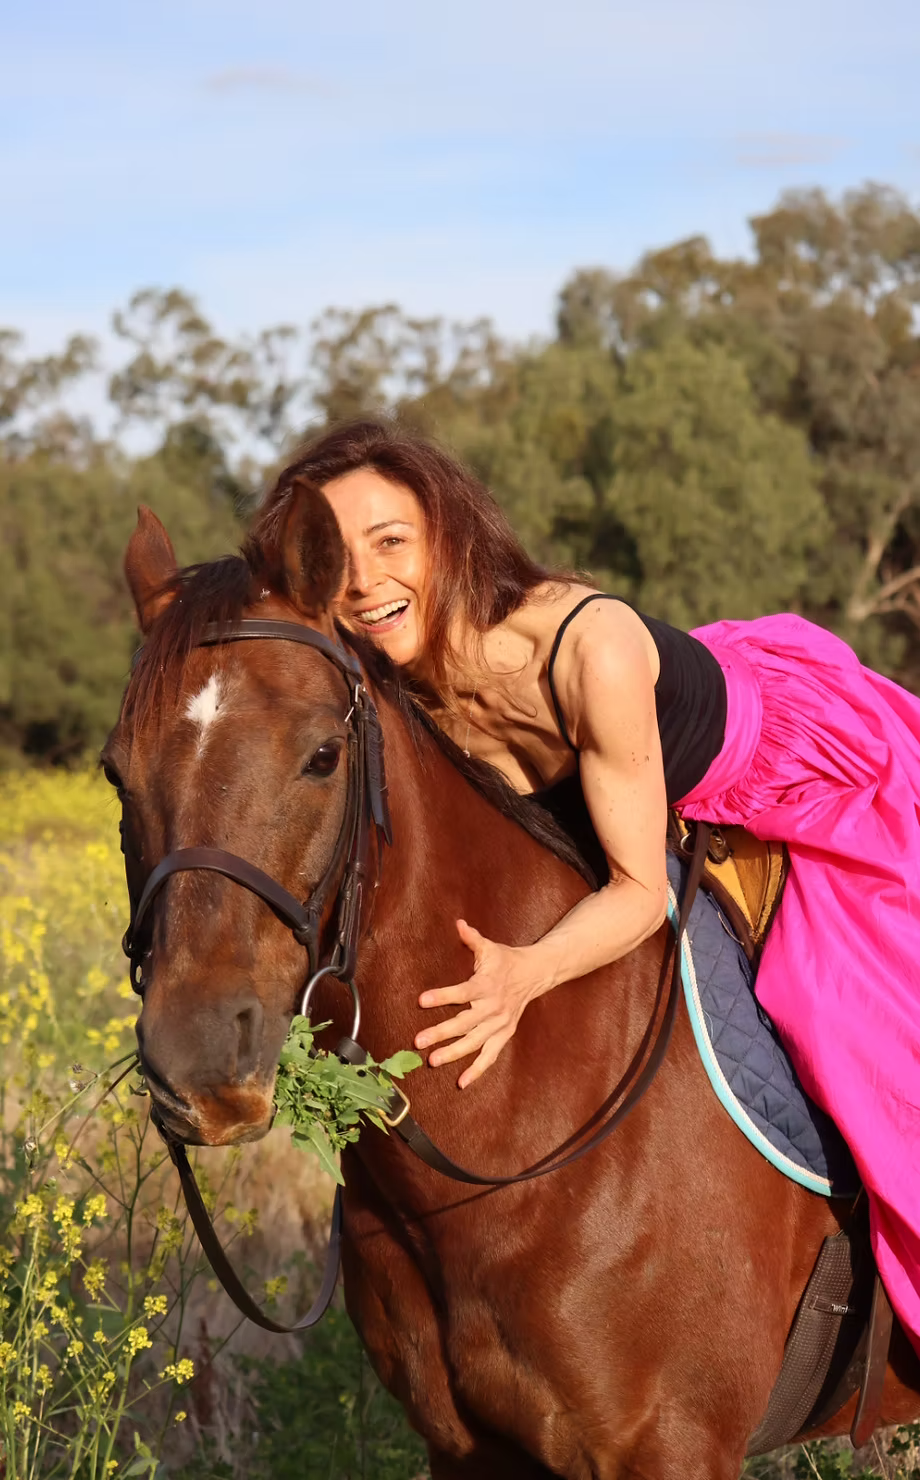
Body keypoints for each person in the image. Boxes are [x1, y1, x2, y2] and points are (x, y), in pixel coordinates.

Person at [261, 418, 920, 1352]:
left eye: (391, 542)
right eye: (341, 555)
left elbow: (638, 889)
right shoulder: (383, 680)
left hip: (796, 775)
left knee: (859, 1028)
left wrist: (523, 974)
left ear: (445, 536)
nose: (366, 581)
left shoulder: (584, 648)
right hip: (648, 781)